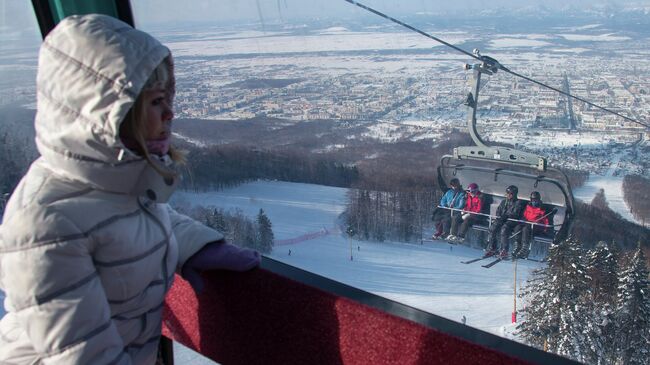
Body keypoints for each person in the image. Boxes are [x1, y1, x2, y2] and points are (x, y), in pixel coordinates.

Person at [0, 14, 260, 364]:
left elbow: (133, 219)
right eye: (154, 101)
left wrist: (196, 245)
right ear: (108, 115)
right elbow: (82, 357)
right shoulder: (45, 226)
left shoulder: (111, 182)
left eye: (168, 97)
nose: (169, 113)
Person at [485, 185, 525, 258]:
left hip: (512, 221)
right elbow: (498, 210)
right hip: (502, 220)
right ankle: (492, 247)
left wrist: (505, 216)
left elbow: (515, 214)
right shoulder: (504, 201)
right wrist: (499, 216)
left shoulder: (518, 203)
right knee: (492, 228)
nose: (508, 195)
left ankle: (504, 250)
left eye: (510, 194)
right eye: (507, 193)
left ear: (514, 194)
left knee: (504, 229)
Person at [512, 191, 550, 259]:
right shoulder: (528, 206)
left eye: (536, 200)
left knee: (525, 229)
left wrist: (545, 229)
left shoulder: (542, 209)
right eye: (533, 200)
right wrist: (523, 220)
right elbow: (524, 216)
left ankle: (525, 247)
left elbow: (545, 221)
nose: (534, 201)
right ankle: (517, 245)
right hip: (527, 223)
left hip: (536, 226)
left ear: (539, 200)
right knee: (517, 227)